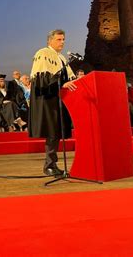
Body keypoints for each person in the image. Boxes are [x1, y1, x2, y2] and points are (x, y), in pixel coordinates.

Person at [28, 29, 77, 177]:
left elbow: (67, 78)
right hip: (46, 99)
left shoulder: (61, 57)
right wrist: (62, 85)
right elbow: (42, 79)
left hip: (58, 99)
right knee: (51, 132)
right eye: (59, 39)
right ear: (50, 40)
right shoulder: (43, 53)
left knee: (56, 132)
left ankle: (53, 164)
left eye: (63, 39)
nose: (62, 42)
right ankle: (49, 165)